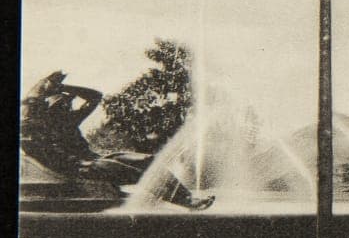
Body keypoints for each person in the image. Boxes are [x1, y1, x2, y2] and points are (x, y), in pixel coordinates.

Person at [20, 71, 214, 210]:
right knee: (133, 172)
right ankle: (185, 202)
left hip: (93, 159)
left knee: (149, 161)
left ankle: (187, 197)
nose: (67, 107)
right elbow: (28, 108)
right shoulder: (37, 126)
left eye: (67, 103)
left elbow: (95, 96)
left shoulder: (69, 121)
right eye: (61, 104)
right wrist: (42, 88)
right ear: (48, 108)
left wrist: (65, 87)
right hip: (78, 166)